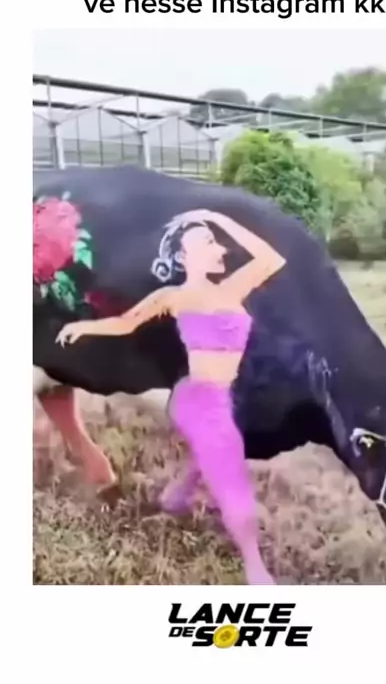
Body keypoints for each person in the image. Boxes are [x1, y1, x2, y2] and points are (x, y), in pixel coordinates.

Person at [56, 208, 286, 585]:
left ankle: (176, 495)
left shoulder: (232, 288)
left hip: (218, 396)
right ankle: (255, 566)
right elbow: (126, 323)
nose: (220, 249)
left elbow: (271, 259)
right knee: (229, 472)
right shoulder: (173, 296)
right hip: (196, 402)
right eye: (208, 241)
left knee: (216, 448)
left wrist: (217, 218)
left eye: (217, 241)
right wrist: (82, 327)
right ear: (183, 256)